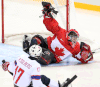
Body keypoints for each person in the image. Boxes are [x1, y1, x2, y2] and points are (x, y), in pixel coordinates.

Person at [23, 1, 93, 64]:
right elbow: (52, 25)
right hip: (47, 44)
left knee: (46, 57)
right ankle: (30, 49)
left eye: (75, 38)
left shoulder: (76, 47)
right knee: (37, 38)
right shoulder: (62, 32)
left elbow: (82, 58)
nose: (73, 39)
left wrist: (87, 55)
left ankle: (30, 50)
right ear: (68, 35)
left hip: (52, 56)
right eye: (72, 37)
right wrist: (47, 15)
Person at [2, 44, 76, 87]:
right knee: (42, 79)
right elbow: (37, 85)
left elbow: (10, 68)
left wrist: (7, 65)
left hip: (15, 85)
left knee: (42, 78)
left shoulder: (21, 57)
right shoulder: (35, 65)